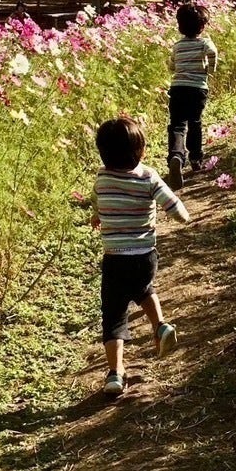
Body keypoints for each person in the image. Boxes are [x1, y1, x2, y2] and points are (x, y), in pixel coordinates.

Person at [92, 116, 188, 397]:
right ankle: (159, 327)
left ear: (103, 153)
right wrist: (183, 217)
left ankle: (115, 373)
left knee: (113, 315)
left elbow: (99, 201)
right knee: (144, 289)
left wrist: (98, 215)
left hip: (114, 259)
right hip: (144, 256)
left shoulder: (102, 177)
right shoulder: (148, 176)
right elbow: (173, 204)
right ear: (140, 150)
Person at [166, 2, 218, 191]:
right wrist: (210, 70)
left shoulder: (177, 46)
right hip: (197, 89)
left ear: (179, 26)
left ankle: (176, 156)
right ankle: (195, 158)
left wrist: (176, 68)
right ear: (202, 26)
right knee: (195, 122)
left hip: (177, 88)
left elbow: (171, 66)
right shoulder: (204, 43)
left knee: (177, 124)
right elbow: (213, 53)